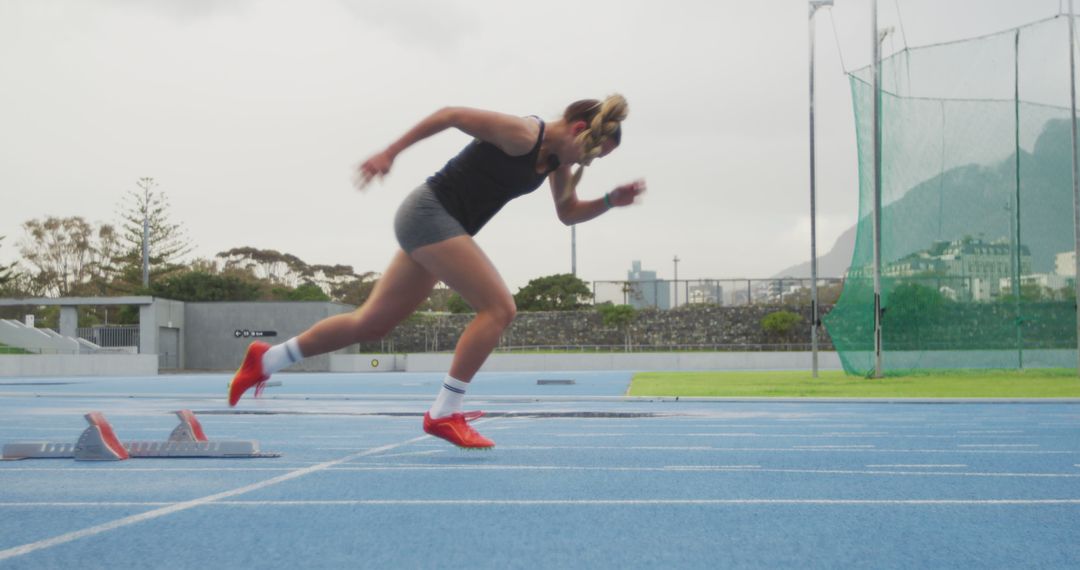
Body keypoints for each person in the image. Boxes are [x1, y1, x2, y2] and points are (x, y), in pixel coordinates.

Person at [227, 94, 646, 449]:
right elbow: (450, 116)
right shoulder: (521, 134)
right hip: (429, 213)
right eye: (592, 152)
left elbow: (568, 213)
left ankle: (266, 360)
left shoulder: (557, 163)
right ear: (577, 129)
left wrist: (610, 200)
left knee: (371, 324)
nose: (588, 162)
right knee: (499, 308)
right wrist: (389, 152)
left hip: (441, 226)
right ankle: (444, 412)